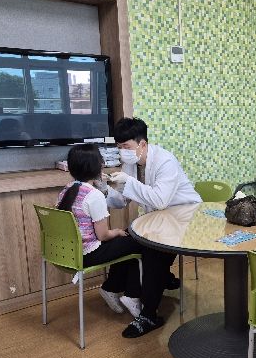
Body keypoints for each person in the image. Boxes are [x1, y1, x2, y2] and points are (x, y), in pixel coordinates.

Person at [101, 117, 202, 337]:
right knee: (128, 237)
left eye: (126, 146)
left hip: (185, 215)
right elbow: (122, 200)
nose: (122, 152)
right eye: (119, 147)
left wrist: (128, 182)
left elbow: (160, 200)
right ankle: (119, 288)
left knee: (154, 250)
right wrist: (106, 191)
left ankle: (147, 313)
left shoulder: (165, 161)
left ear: (142, 144)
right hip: (161, 218)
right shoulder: (131, 163)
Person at [55, 143, 142, 318]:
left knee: (126, 245)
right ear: (97, 166)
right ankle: (131, 295)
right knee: (136, 242)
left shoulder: (66, 189)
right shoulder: (93, 195)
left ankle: (112, 288)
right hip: (86, 254)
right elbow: (103, 235)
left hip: (65, 252)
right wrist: (117, 231)